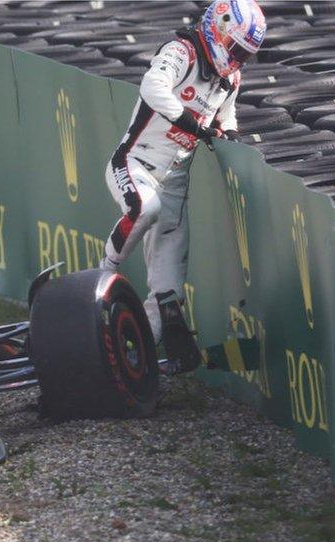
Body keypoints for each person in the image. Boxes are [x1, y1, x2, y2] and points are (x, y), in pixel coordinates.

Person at [100, 0, 267, 372]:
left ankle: (132, 359)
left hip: (175, 182)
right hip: (135, 163)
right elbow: (151, 85)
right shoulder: (182, 51)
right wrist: (193, 125)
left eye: (245, 55)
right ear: (220, 29)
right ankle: (103, 273)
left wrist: (232, 133)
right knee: (145, 208)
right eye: (237, 49)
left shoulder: (231, 78)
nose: (238, 59)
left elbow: (226, 113)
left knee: (169, 298)